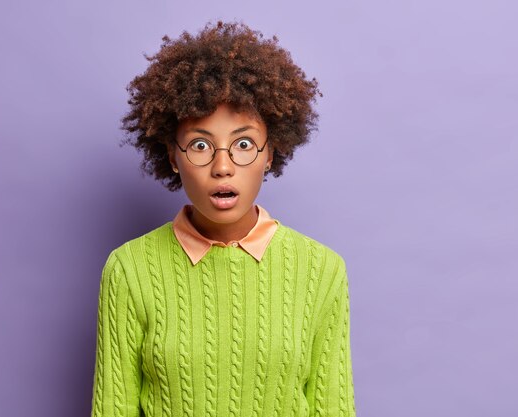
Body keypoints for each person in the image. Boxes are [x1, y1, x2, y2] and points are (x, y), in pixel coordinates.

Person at [90, 20, 356, 417]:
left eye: (243, 144)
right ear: (172, 156)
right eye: (200, 144)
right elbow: (114, 408)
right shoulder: (129, 269)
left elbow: (332, 408)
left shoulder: (321, 270)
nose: (223, 166)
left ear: (271, 152)